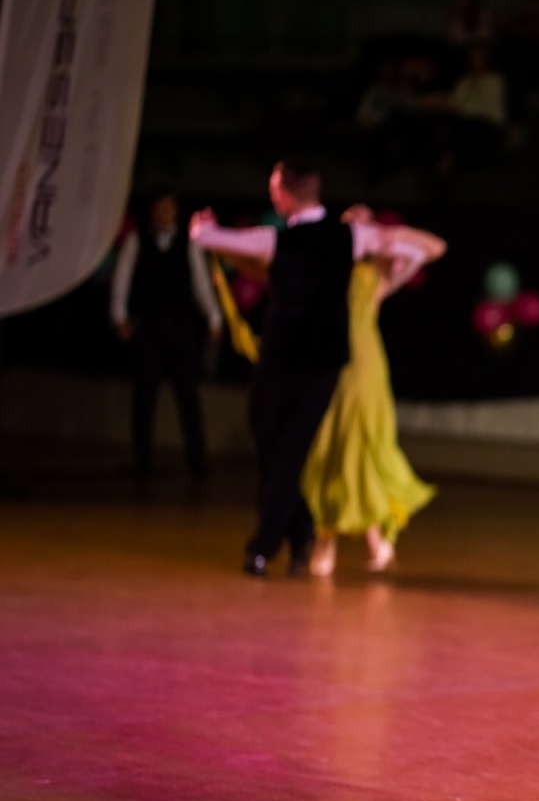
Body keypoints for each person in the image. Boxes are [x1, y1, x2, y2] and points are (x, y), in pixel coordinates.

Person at [189, 162, 429, 576]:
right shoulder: (349, 238)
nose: (271, 197)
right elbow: (412, 249)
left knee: (287, 454)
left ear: (284, 193)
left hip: (296, 361)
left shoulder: (275, 240)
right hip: (309, 363)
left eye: (273, 190)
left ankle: (262, 548)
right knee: (271, 447)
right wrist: (387, 242)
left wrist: (202, 229)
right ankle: (299, 531)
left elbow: (209, 238)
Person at [302, 208, 447, 577]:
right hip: (326, 362)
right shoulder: (324, 269)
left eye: (365, 222)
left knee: (359, 446)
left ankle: (344, 542)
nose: (359, 226)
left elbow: (433, 248)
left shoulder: (376, 275)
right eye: (352, 222)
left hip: (364, 367)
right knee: (330, 448)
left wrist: (392, 233)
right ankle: (344, 541)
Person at [110, 189, 222, 484]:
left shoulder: (188, 244)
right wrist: (120, 316)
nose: (164, 212)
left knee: (188, 394)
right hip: (148, 327)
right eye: (159, 207)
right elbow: (122, 278)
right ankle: (142, 459)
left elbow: (201, 283)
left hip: (181, 328)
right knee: (144, 395)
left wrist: (214, 316)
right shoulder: (137, 240)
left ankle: (197, 460)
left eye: (169, 207)